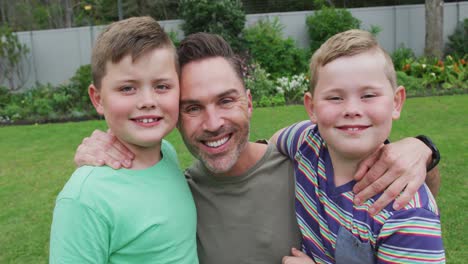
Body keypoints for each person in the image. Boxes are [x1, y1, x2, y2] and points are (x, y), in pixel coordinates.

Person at [74, 32, 441, 264]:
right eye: (193, 107)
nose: (214, 122)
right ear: (175, 115)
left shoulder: (296, 158)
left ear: (249, 103)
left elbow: (388, 177)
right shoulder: (177, 186)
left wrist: (422, 151)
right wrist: (99, 152)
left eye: (226, 100)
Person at [278, 29, 444, 264]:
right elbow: (271, 144)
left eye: (368, 95)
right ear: (312, 108)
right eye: (335, 98)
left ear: (396, 102)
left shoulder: (406, 210)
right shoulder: (306, 141)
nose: (352, 109)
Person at [49, 17, 198, 263]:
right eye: (128, 88)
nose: (148, 101)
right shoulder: (85, 199)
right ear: (97, 99)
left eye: (162, 86)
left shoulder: (167, 154)